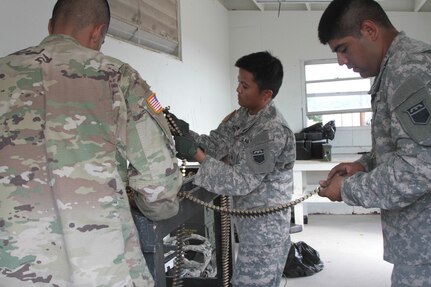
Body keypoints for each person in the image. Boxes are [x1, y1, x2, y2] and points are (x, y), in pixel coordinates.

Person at [0, 0, 182, 286]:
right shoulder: (119, 77)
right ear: (98, 33)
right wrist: (158, 210)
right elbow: (158, 181)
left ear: (50, 26)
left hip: (12, 265)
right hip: (101, 265)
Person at [317, 0, 431, 286]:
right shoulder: (394, 69)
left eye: (343, 49)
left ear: (369, 30)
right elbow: (405, 146)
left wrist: (347, 189)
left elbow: (418, 169)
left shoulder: (409, 71)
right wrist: (363, 164)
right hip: (417, 245)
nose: (341, 61)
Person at [170, 51, 296, 287]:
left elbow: (241, 181)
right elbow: (216, 144)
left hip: (265, 231)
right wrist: (185, 134)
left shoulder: (272, 131)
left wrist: (194, 154)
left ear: (266, 94)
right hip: (249, 225)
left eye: (244, 85)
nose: (237, 89)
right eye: (238, 82)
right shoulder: (244, 115)